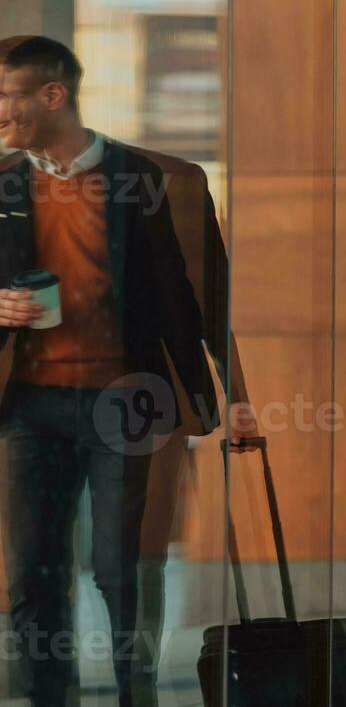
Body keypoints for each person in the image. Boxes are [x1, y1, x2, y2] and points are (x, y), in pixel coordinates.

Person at [0, 35, 222, 706]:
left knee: (118, 569)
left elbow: (182, 293)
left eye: (6, 96)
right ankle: (48, 698)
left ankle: (134, 694)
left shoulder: (140, 176)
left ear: (53, 95)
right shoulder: (4, 184)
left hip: (124, 400)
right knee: (31, 575)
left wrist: (216, 396)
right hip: (28, 405)